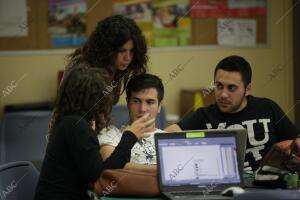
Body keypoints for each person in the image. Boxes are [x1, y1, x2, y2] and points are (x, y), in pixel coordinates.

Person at [34, 67, 155, 200]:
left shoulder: (69, 121)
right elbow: (102, 173)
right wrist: (130, 136)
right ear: (93, 98)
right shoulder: (77, 126)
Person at [165, 55, 299, 174]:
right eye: (219, 86)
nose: (223, 94)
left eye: (232, 88)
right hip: (222, 187)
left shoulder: (268, 108)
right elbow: (165, 136)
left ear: (247, 89)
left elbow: (296, 141)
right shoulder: (204, 116)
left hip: (268, 185)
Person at [48, 15, 148, 135]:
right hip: (73, 138)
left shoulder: (115, 66)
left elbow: (101, 116)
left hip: (90, 136)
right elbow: (78, 123)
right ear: (108, 48)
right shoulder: (84, 72)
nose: (128, 58)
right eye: (122, 51)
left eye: (131, 51)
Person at [99, 74, 165, 172]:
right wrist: (162, 169)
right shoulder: (110, 134)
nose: (142, 109)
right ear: (128, 103)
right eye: (136, 101)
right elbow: (111, 167)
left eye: (150, 102)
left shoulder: (168, 139)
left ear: (159, 106)